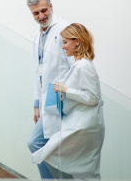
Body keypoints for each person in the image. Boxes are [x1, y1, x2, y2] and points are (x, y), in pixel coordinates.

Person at [32, 23, 105, 179]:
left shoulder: (83, 66)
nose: (63, 47)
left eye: (65, 42)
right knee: (76, 167)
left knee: (54, 155)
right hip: (80, 123)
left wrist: (66, 90)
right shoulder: (80, 65)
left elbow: (92, 97)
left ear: (76, 41)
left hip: (83, 125)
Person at [27, 0, 72, 179]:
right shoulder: (38, 37)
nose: (41, 16)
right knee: (50, 148)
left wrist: (70, 95)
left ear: (51, 6)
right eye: (35, 13)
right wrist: (37, 104)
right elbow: (39, 72)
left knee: (38, 144)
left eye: (43, 10)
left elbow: (74, 67)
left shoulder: (65, 29)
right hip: (47, 102)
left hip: (62, 100)